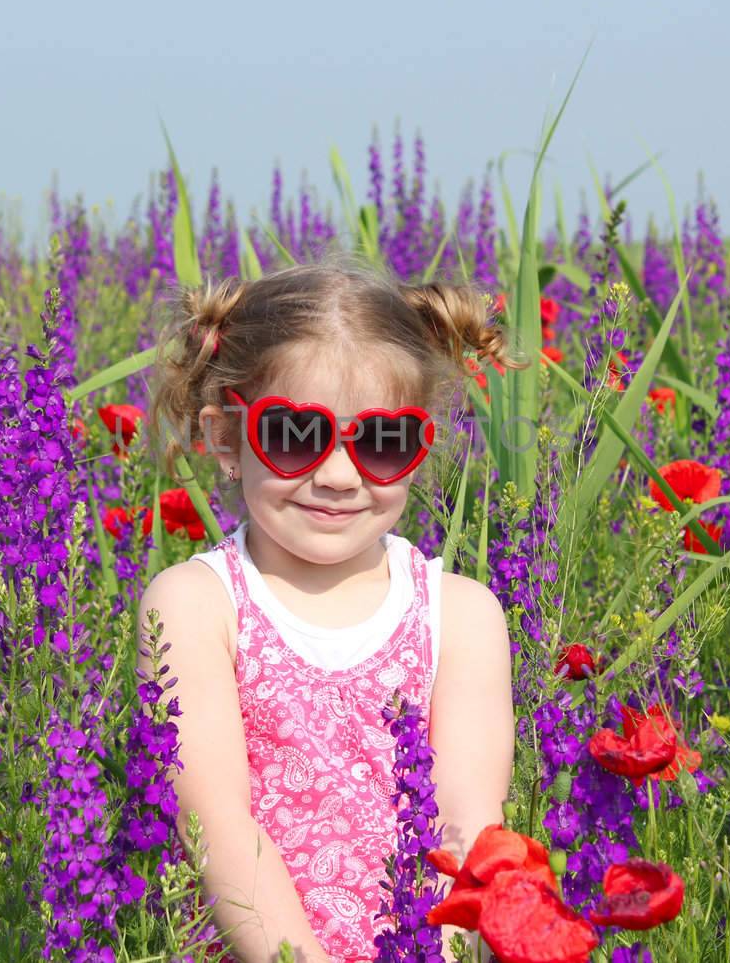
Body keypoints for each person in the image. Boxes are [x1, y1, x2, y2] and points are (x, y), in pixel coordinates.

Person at [136, 248, 523, 961]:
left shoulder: (462, 615)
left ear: (420, 447)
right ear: (226, 438)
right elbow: (217, 826)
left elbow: (470, 828)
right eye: (293, 435)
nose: (340, 475)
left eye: (382, 441)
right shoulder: (196, 606)